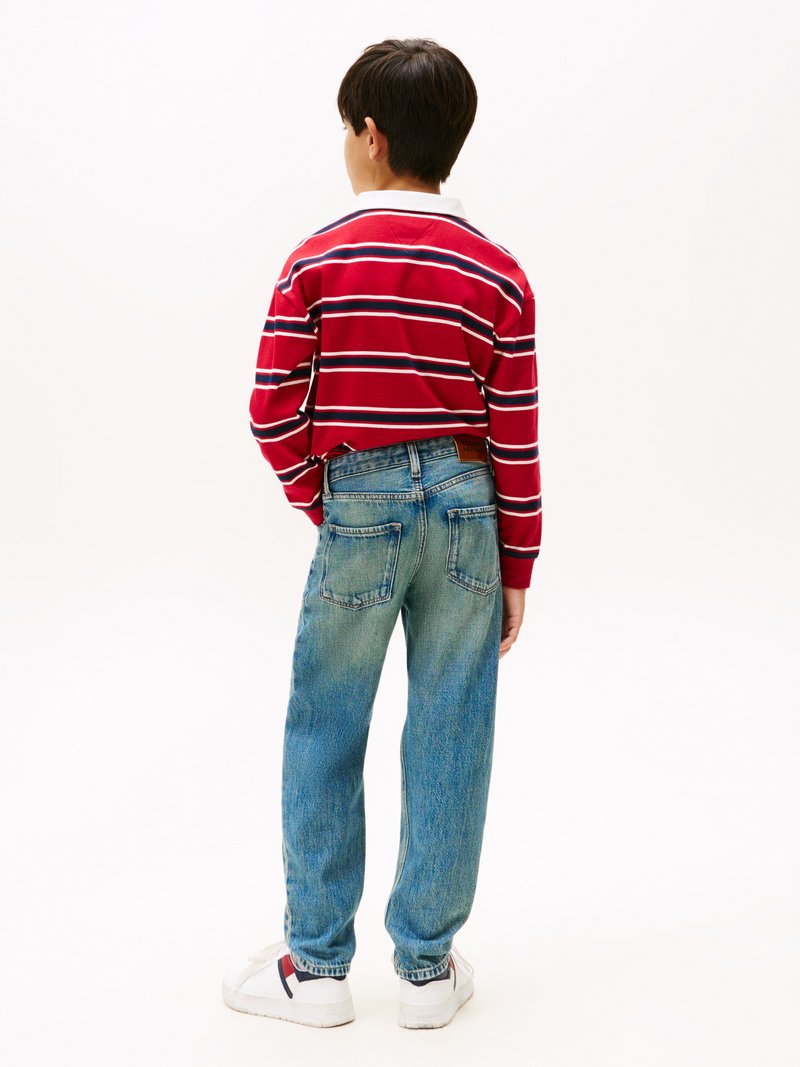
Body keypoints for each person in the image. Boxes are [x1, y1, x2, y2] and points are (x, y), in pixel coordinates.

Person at [222, 37, 542, 1030]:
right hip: (469, 507)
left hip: (357, 495)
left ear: (370, 135)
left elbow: (271, 407)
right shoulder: (498, 272)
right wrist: (518, 562)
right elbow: (515, 431)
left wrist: (327, 500)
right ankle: (427, 971)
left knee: (327, 721)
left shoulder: (317, 259)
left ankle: (316, 967)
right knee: (453, 725)